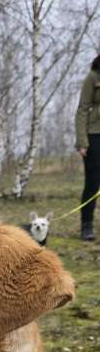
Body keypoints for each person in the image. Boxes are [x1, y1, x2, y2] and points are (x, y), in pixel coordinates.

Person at [75, 52, 100, 241]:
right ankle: (86, 226)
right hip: (94, 135)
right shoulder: (93, 77)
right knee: (93, 183)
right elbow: (82, 109)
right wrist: (82, 141)